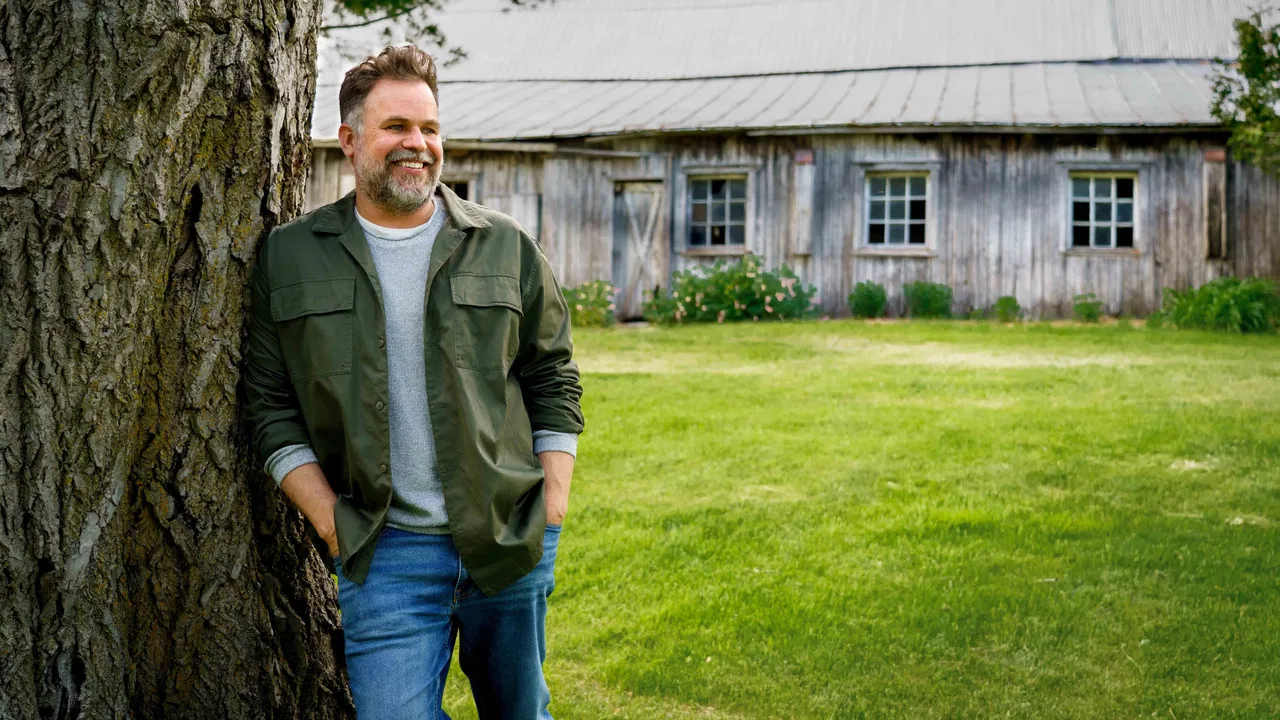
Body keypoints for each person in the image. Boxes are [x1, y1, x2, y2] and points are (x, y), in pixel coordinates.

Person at [244, 44, 584, 719]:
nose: (418, 144)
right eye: (396, 126)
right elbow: (270, 404)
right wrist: (330, 521)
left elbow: (552, 374)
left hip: (507, 538)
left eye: (429, 128)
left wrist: (551, 505)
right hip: (385, 553)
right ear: (350, 140)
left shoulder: (504, 244)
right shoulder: (291, 256)